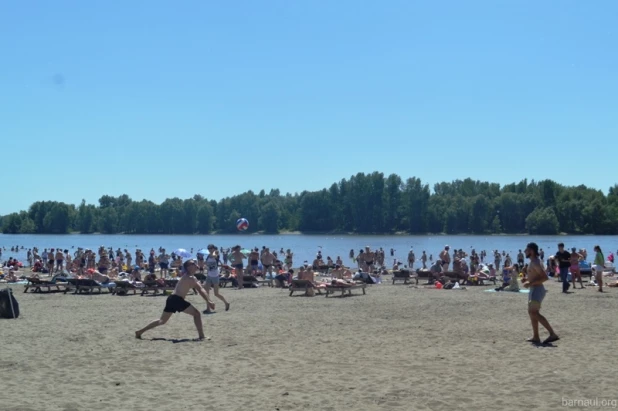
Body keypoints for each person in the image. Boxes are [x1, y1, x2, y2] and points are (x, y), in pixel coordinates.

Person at [135, 259, 215, 340]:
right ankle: (201, 336)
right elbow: (200, 290)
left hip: (171, 299)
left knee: (162, 321)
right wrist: (208, 301)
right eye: (193, 264)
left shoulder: (191, 277)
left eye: (195, 263)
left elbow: (201, 289)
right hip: (177, 299)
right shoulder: (189, 277)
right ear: (188, 267)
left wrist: (209, 300)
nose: (195, 264)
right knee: (197, 314)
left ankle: (140, 332)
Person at [523, 242, 559, 345]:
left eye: (527, 249)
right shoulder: (533, 261)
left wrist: (530, 283)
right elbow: (536, 276)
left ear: (532, 251)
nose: (525, 251)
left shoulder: (535, 262)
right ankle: (536, 337)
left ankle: (552, 334)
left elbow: (544, 277)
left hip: (537, 289)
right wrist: (527, 279)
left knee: (534, 313)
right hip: (534, 288)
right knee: (531, 313)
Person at [203, 244, 230, 313]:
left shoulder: (216, 253)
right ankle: (208, 308)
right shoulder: (209, 255)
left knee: (216, 293)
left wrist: (214, 251)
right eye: (208, 248)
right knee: (206, 292)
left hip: (215, 275)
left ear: (213, 248)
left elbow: (214, 256)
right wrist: (205, 266)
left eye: (210, 248)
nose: (209, 250)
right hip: (209, 275)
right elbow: (206, 263)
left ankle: (226, 303)